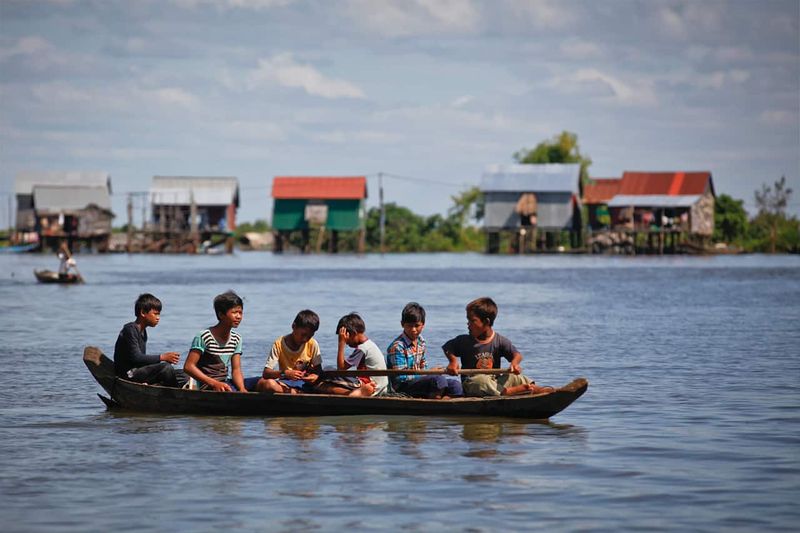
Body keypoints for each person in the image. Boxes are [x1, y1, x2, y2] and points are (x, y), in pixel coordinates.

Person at [443, 297, 553, 397]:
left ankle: (538, 390)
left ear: (486, 322)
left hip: (495, 382)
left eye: (472, 321)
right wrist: (453, 362)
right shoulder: (464, 340)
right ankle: (508, 392)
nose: (468, 324)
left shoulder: (499, 340)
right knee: (481, 380)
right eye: (468, 320)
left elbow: (517, 355)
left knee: (516, 377)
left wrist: (514, 364)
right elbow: (448, 347)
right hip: (473, 384)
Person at [386, 302, 462, 399]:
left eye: (417, 325)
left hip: (419, 382)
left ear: (423, 325)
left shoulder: (421, 341)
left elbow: (423, 366)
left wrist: (433, 372)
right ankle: (433, 403)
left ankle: (443, 402)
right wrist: (429, 373)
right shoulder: (397, 347)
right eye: (409, 326)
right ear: (402, 324)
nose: (413, 329)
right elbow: (401, 378)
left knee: (455, 385)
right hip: (403, 387)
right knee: (438, 380)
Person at [113, 293, 187, 388]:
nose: (158, 318)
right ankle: (174, 394)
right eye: (155, 314)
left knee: (184, 374)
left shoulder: (143, 331)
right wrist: (162, 357)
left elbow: (141, 361)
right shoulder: (130, 329)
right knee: (166, 368)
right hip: (129, 374)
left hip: (139, 371)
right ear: (143, 313)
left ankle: (162, 386)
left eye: (159, 314)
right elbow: (136, 357)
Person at [184, 291, 248, 392]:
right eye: (234, 312)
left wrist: (242, 388)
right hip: (207, 385)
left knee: (262, 382)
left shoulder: (236, 339)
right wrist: (214, 383)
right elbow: (188, 367)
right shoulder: (204, 336)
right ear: (221, 315)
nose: (238, 316)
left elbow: (236, 370)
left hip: (224, 383)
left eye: (240, 312)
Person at [255, 309, 324, 394]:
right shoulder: (279, 344)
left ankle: (295, 392)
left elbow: (318, 372)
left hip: (304, 384)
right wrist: (285, 373)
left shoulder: (312, 344)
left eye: (309, 336)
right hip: (285, 384)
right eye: (303, 335)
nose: (305, 339)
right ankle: (295, 392)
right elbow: (266, 373)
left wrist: (313, 377)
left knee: (324, 384)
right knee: (267, 383)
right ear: (294, 327)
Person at [319, 313, 387, 396]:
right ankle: (354, 392)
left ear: (353, 333)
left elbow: (341, 369)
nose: (347, 343)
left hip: (370, 386)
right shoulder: (370, 345)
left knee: (327, 372)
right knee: (329, 375)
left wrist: (341, 344)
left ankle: (355, 392)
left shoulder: (362, 349)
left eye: (347, 340)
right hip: (380, 386)